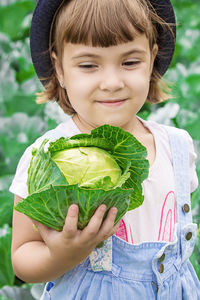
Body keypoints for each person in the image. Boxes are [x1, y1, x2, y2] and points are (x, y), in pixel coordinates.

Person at [10, 0, 200, 299]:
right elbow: (22, 256)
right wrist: (60, 256)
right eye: (88, 65)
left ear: (152, 60)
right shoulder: (45, 157)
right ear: (60, 69)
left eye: (130, 62)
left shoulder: (177, 146)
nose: (112, 82)